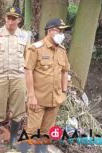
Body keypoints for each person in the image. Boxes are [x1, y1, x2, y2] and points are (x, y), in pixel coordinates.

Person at [0, 7, 31, 149]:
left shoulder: (25, 36)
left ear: (19, 20)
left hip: (19, 77)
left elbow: (28, 60)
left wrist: (29, 81)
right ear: (5, 18)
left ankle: (13, 139)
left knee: (19, 109)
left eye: (14, 18)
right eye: (8, 18)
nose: (10, 21)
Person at [24, 18, 70, 152]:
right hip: (37, 99)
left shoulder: (61, 50)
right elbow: (28, 72)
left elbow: (65, 72)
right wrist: (31, 95)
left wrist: (64, 92)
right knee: (32, 131)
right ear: (50, 31)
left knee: (47, 131)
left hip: (54, 99)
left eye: (63, 31)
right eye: (59, 31)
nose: (62, 34)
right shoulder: (35, 48)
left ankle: (41, 151)